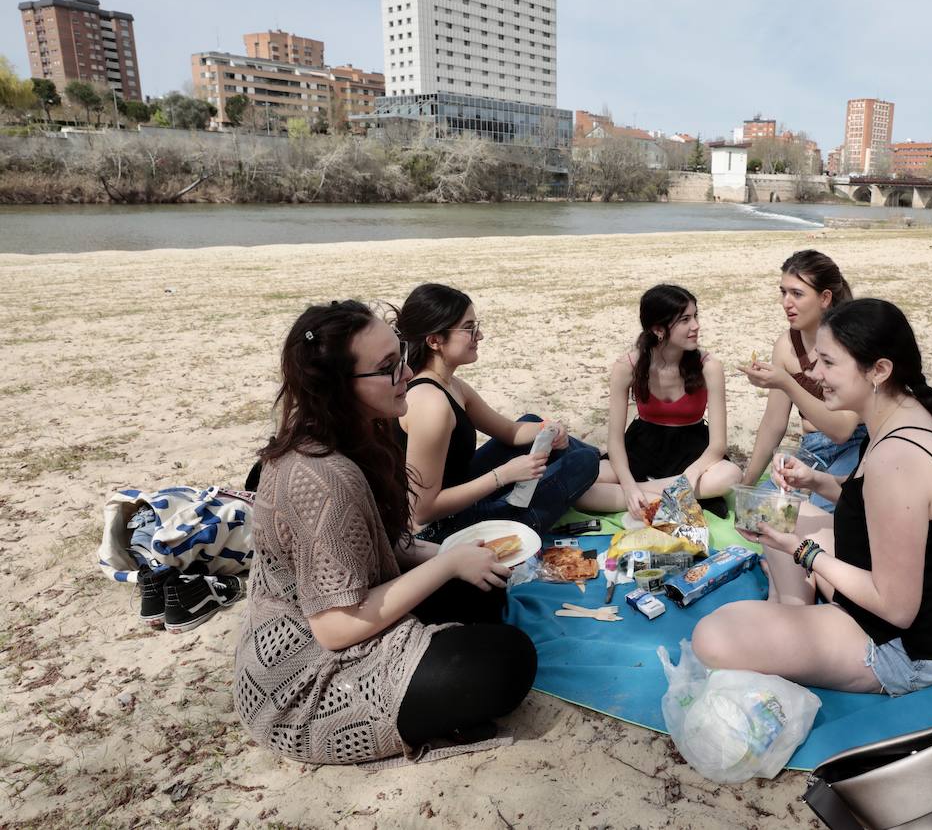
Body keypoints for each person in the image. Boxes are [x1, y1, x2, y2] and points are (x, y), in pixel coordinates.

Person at [235, 300, 536, 766]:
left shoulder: (361, 433)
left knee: (483, 589)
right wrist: (447, 562)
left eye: (401, 356)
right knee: (510, 660)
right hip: (307, 680)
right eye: (388, 367)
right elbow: (334, 628)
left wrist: (458, 555)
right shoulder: (320, 477)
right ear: (337, 387)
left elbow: (384, 543)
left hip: (360, 599)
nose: (407, 373)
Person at [692, 298, 932, 695]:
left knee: (714, 635)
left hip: (902, 649)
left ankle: (793, 627)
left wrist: (804, 552)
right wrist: (815, 481)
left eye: (828, 362)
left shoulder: (897, 462)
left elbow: (896, 606)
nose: (814, 373)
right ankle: (793, 619)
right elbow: (876, 507)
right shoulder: (902, 412)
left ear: (878, 370)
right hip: (881, 585)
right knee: (785, 514)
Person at [395, 283, 601, 541]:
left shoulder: (451, 386)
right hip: (440, 531)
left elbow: (510, 431)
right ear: (435, 340)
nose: (479, 336)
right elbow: (422, 512)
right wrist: (503, 476)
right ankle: (607, 472)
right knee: (584, 463)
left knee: (533, 424)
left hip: (457, 497)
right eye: (469, 329)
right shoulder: (430, 404)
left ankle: (610, 475)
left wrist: (549, 429)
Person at [593, 283, 742, 521]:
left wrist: (690, 475)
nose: (696, 326)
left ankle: (651, 493)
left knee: (730, 475)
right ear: (658, 329)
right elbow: (615, 441)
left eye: (695, 316)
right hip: (642, 445)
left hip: (691, 447)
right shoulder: (627, 366)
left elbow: (718, 446)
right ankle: (674, 496)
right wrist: (629, 485)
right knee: (587, 481)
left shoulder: (709, 366)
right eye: (685, 320)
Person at [738, 250, 865, 514]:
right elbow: (774, 423)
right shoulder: (786, 345)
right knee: (760, 512)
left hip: (855, 445)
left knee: (817, 512)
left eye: (797, 294)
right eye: (783, 292)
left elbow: (842, 430)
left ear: (825, 298)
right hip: (812, 450)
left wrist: (786, 383)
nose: (786, 303)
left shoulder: (851, 341)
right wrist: (747, 485)